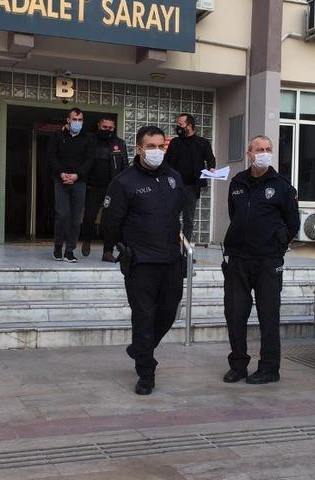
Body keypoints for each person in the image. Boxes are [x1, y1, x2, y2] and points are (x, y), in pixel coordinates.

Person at [102, 125, 185, 395]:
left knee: (168, 312)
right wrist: (122, 249)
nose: (157, 151)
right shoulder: (124, 181)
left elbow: (178, 215)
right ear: (139, 149)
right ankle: (146, 372)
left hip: (171, 260)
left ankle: (140, 349)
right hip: (141, 263)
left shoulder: (174, 178)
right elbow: (111, 223)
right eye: (151, 146)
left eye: (161, 146)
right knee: (144, 317)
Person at [221, 135, 300, 384]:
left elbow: (293, 222)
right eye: (259, 149)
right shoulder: (237, 182)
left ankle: (269, 368)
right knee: (235, 314)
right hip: (238, 260)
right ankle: (238, 365)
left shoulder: (282, 186)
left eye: (268, 149)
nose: (264, 153)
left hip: (268, 261)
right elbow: (233, 214)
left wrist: (278, 244)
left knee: (268, 316)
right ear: (249, 153)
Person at [47, 107, 94, 262]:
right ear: (68, 120)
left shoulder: (88, 138)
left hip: (79, 182)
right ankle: (58, 246)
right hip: (60, 181)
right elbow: (52, 157)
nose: (77, 122)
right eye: (74, 119)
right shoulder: (57, 136)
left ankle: (69, 250)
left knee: (76, 219)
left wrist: (76, 175)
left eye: (80, 120)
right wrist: (61, 174)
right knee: (63, 215)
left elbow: (89, 160)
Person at [81, 117, 128, 262]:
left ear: (114, 128)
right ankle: (87, 240)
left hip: (112, 188)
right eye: (104, 126)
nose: (107, 129)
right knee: (89, 217)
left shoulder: (119, 143)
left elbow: (124, 165)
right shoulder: (89, 140)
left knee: (110, 221)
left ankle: (107, 251)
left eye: (110, 127)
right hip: (93, 186)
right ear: (99, 125)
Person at [164, 113, 216, 242]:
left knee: (188, 219)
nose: (178, 127)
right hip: (174, 186)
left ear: (189, 126)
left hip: (192, 187)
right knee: (170, 216)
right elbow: (166, 161)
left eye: (180, 124)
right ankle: (171, 246)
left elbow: (210, 158)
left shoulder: (202, 143)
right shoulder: (175, 142)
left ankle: (185, 250)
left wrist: (212, 168)